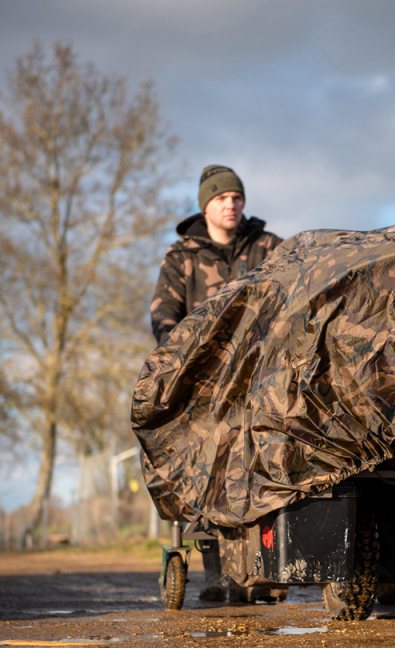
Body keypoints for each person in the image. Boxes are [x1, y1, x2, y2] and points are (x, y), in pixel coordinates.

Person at [150, 164, 283, 602]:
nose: (231, 204)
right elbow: (163, 315)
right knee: (208, 471)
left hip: (262, 378)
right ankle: (215, 572)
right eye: (222, 198)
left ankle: (264, 568)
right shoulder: (181, 257)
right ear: (205, 205)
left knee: (263, 467)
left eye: (237, 197)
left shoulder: (269, 247)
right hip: (205, 384)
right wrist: (182, 359)